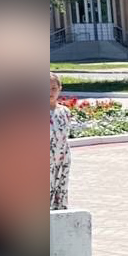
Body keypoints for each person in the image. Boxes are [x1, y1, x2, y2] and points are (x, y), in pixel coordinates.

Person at [49, 73, 72, 210]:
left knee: (61, 191)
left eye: (53, 88)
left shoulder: (64, 112)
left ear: (59, 89)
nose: (50, 92)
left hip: (62, 160)